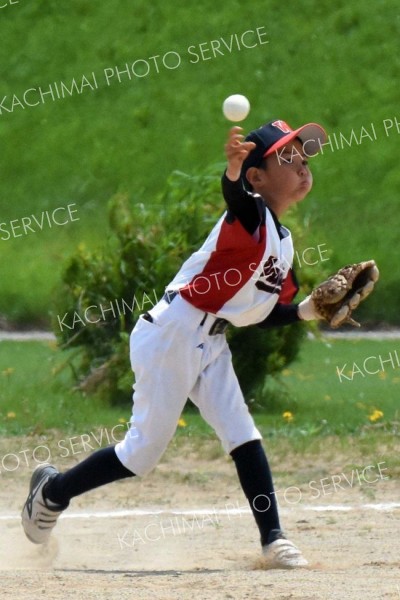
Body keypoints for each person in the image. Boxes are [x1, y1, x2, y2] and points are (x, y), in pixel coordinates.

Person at [22, 118, 327, 568]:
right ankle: (51, 493)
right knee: (140, 454)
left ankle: (273, 539)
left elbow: (261, 315)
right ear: (257, 176)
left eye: (303, 157)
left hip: (210, 342)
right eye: (286, 157)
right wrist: (231, 173)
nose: (300, 164)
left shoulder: (282, 244)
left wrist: (308, 311)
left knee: (244, 435)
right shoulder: (249, 215)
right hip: (173, 334)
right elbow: (236, 197)